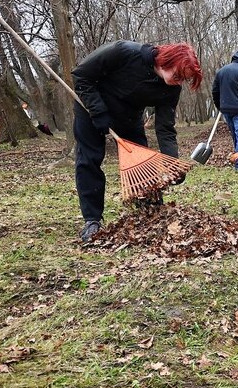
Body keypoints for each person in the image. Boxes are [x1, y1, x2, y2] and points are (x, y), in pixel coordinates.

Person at [72, 41, 203, 242]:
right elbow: (81, 75)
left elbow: (165, 128)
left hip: (129, 118)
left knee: (144, 165)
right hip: (91, 109)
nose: (178, 82)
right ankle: (92, 220)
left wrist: (172, 163)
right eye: (177, 75)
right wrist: (98, 111)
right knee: (89, 160)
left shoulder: (171, 89)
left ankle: (151, 212)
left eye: (182, 80)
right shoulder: (124, 52)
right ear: (165, 60)